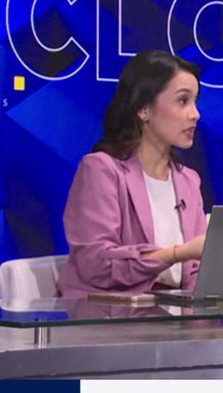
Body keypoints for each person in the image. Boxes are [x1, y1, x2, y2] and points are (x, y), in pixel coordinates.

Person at [56, 50, 209, 297]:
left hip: (174, 315)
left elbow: (196, 271)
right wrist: (177, 253)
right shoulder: (102, 170)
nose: (195, 114)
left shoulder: (188, 181)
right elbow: (96, 263)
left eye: (195, 101)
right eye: (183, 101)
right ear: (144, 109)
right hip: (106, 313)